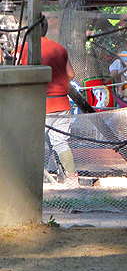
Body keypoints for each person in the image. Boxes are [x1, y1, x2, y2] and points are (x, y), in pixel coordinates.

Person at [19, 16, 78, 185]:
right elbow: (71, 74)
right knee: (60, 142)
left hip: (37, 104)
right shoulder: (59, 48)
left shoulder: (24, 49)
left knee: (30, 143)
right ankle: (73, 180)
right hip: (61, 103)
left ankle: (27, 181)